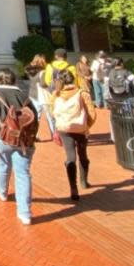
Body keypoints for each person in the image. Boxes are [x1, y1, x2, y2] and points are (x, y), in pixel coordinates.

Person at [0, 68, 38, 225]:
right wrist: (32, 138)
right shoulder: (23, 95)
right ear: (14, 80)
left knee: (3, 165)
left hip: (2, 137)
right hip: (23, 140)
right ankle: (25, 213)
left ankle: (2, 191)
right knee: (23, 174)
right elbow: (34, 119)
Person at [51, 67, 96, 201]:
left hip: (64, 128)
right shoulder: (82, 93)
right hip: (80, 129)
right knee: (83, 155)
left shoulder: (56, 94)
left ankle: (73, 187)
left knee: (70, 157)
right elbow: (92, 113)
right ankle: (83, 181)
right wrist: (86, 126)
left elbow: (53, 112)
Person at [25, 54, 54, 140]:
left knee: (35, 117)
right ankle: (54, 134)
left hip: (33, 94)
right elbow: (43, 84)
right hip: (43, 96)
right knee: (50, 117)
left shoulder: (30, 72)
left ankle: (33, 135)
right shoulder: (43, 72)